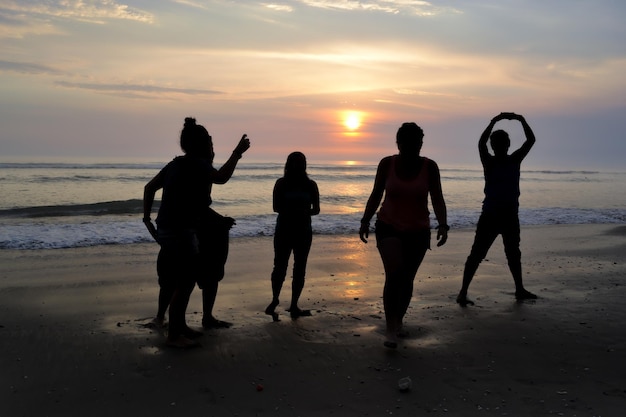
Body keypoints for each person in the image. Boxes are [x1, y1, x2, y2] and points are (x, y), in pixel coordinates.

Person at [143, 117, 250, 347]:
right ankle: (174, 336)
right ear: (202, 145)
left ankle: (179, 326)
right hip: (181, 231)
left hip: (165, 228)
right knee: (185, 283)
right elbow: (221, 177)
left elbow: (149, 187)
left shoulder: (176, 164)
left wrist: (146, 219)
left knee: (180, 279)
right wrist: (237, 153)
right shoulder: (198, 165)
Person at [359, 122, 448, 349]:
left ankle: (398, 320)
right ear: (398, 143)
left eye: (416, 143)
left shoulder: (430, 167)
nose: (411, 147)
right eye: (406, 143)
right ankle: (390, 329)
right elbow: (376, 193)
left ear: (421, 144)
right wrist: (365, 220)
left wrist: (443, 224)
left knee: (407, 278)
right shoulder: (387, 164)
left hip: (418, 230)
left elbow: (437, 198)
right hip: (388, 226)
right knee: (395, 273)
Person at [456, 112, 537, 306]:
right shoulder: (497, 161)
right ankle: (464, 291)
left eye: (500, 143)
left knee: (506, 252)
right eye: (498, 144)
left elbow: (482, 143)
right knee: (485, 253)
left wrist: (496, 121)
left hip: (503, 215)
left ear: (505, 145)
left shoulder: (506, 160)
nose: (499, 146)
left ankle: (518, 289)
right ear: (502, 145)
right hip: (495, 215)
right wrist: (519, 120)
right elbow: (530, 140)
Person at [265, 152, 320, 321]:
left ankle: (294, 304)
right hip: (285, 229)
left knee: (299, 268)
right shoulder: (281, 183)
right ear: (289, 164)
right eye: (295, 162)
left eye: (301, 162)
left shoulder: (311, 185)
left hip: (303, 230)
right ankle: (275, 299)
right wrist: (300, 211)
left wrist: (300, 212)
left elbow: (316, 209)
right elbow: (276, 207)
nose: (298, 165)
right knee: (280, 266)